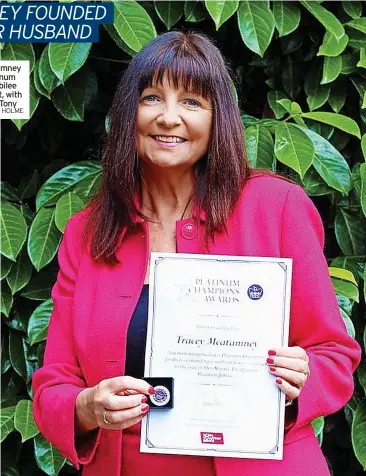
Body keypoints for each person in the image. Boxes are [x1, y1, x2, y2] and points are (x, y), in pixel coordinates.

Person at [32, 31, 360, 476]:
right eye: (152, 98)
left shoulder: (275, 208)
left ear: (217, 118)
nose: (169, 118)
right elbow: (54, 385)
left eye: (191, 102)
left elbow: (333, 354)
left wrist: (304, 377)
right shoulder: (86, 232)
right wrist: (87, 406)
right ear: (129, 115)